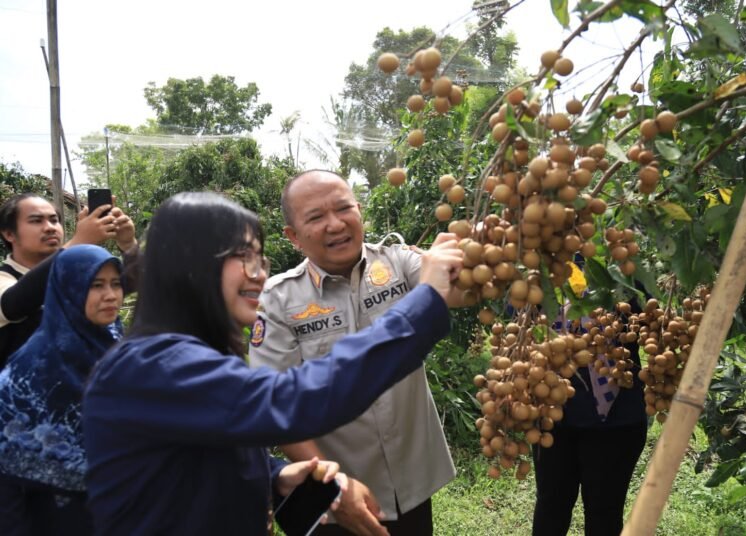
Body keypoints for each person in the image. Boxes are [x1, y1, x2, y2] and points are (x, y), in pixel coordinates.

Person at [81, 192, 463, 536]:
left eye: (258, 257)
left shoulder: (189, 356)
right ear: (188, 267)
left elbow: (195, 455)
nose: (258, 272)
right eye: (241, 256)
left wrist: (276, 476)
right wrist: (425, 300)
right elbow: (290, 399)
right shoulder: (151, 366)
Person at [249, 170, 458, 535]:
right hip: (339, 495)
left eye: (344, 208)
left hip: (410, 485)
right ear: (293, 237)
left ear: (360, 211)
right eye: (316, 217)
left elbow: (453, 290)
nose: (335, 224)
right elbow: (277, 408)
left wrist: (462, 255)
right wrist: (336, 487)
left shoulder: (398, 264)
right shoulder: (278, 301)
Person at [0, 245, 125, 536]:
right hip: (55, 519)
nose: (110, 295)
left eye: (116, 284)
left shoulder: (118, 349)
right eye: (96, 285)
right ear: (68, 288)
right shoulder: (32, 368)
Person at [532, 301, 647, 536]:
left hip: (616, 420)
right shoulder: (539, 271)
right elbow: (517, 313)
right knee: (551, 507)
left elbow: (649, 320)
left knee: (604, 514)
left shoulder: (628, 270)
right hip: (553, 417)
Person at [0, 193, 137, 369]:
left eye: (54, 220)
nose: (49, 227)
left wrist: (128, 244)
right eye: (36, 220)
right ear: (9, 234)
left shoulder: (79, 275)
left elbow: (135, 284)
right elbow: (14, 304)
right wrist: (79, 241)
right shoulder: (5, 278)